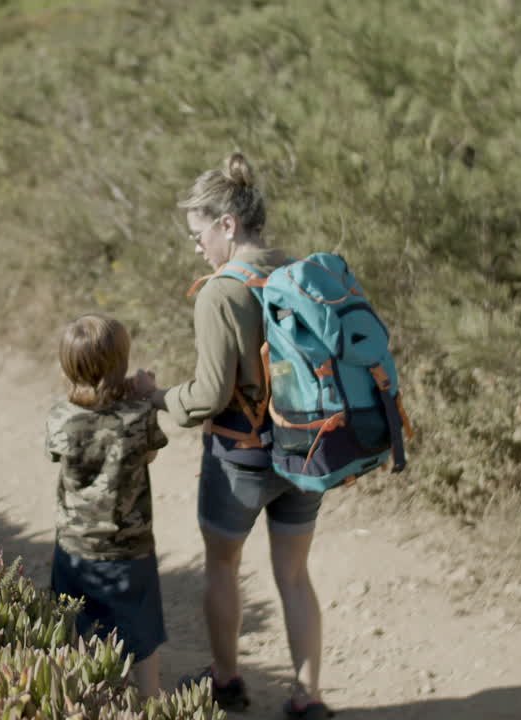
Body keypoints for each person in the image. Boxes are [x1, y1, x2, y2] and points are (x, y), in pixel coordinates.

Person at [133, 153, 332, 719]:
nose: (197, 247)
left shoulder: (221, 291)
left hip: (241, 458)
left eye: (200, 234)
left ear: (228, 224)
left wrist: (157, 399)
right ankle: (307, 695)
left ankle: (226, 681)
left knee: (222, 566)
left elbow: (208, 397)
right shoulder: (296, 271)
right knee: (295, 575)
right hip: (306, 451)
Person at [47, 313, 170, 697]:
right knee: (141, 640)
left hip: (74, 547)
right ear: (121, 366)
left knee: (76, 635)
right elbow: (149, 455)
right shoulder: (138, 416)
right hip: (128, 549)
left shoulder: (60, 417)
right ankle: (150, 703)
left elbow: (60, 455)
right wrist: (145, 393)